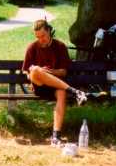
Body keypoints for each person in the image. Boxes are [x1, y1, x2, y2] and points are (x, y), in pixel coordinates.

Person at [22, 19, 87, 147]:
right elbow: (26, 71)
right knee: (35, 70)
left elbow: (63, 72)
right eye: (38, 37)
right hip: (39, 85)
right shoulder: (32, 47)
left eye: (43, 36)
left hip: (57, 85)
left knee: (62, 93)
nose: (41, 39)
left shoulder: (60, 46)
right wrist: (36, 73)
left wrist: (49, 72)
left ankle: (56, 137)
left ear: (49, 31)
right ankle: (75, 92)